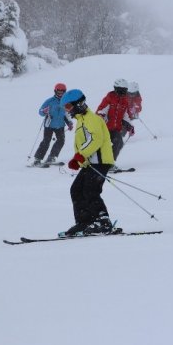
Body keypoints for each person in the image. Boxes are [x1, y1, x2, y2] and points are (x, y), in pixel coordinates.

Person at [59, 89, 117, 237]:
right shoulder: (81, 121)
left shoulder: (91, 118)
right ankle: (85, 222)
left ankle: (103, 223)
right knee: (76, 190)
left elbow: (95, 139)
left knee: (91, 191)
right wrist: (80, 158)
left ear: (77, 104)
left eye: (68, 107)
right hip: (90, 163)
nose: (68, 111)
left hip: (100, 161)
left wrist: (79, 156)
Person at [33, 83, 73, 166]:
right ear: (55, 91)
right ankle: (37, 160)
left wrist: (69, 123)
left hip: (60, 125)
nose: (60, 93)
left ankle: (51, 157)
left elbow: (67, 114)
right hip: (49, 125)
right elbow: (40, 111)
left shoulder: (66, 102)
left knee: (61, 141)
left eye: (62, 92)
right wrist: (44, 111)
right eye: (59, 92)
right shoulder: (49, 101)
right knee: (46, 141)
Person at [96, 78, 134, 162]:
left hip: (115, 128)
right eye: (121, 91)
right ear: (116, 89)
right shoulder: (109, 98)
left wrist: (130, 126)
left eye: (124, 91)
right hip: (104, 127)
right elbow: (101, 110)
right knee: (101, 146)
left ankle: (109, 164)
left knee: (119, 143)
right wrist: (101, 116)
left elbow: (125, 115)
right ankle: (95, 163)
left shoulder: (125, 101)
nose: (123, 93)